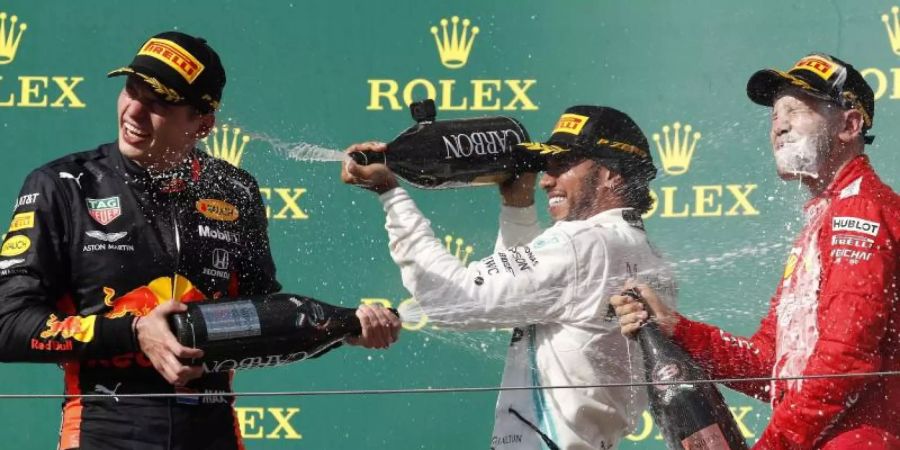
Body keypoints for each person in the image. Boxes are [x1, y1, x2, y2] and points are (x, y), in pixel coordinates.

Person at [0, 31, 400, 450]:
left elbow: (265, 324)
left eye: (158, 102)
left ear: (202, 123)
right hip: (106, 431)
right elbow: (8, 326)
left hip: (213, 434)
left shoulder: (234, 190)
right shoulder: (64, 185)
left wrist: (345, 330)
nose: (134, 110)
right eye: (131, 89)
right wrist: (136, 332)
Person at [342, 106, 677, 450]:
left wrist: (391, 194)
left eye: (563, 165)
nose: (547, 179)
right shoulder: (651, 258)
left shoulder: (582, 243)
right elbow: (529, 302)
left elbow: (452, 300)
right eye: (546, 166)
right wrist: (518, 206)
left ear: (612, 175)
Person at [611, 53, 900, 449]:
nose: (779, 125)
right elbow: (773, 367)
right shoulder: (826, 218)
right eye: (775, 115)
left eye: (796, 111)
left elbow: (844, 363)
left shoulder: (861, 211)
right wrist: (677, 329)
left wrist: (773, 446)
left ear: (849, 125)